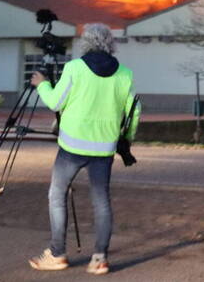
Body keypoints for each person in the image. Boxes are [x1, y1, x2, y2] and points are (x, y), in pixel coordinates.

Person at [28, 22, 140, 275]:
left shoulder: (74, 68)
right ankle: (99, 259)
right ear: (110, 43)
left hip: (72, 147)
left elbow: (56, 101)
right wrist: (127, 140)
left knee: (57, 194)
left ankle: (57, 254)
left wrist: (42, 84)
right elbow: (135, 111)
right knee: (101, 202)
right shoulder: (124, 74)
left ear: (86, 42)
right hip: (104, 150)